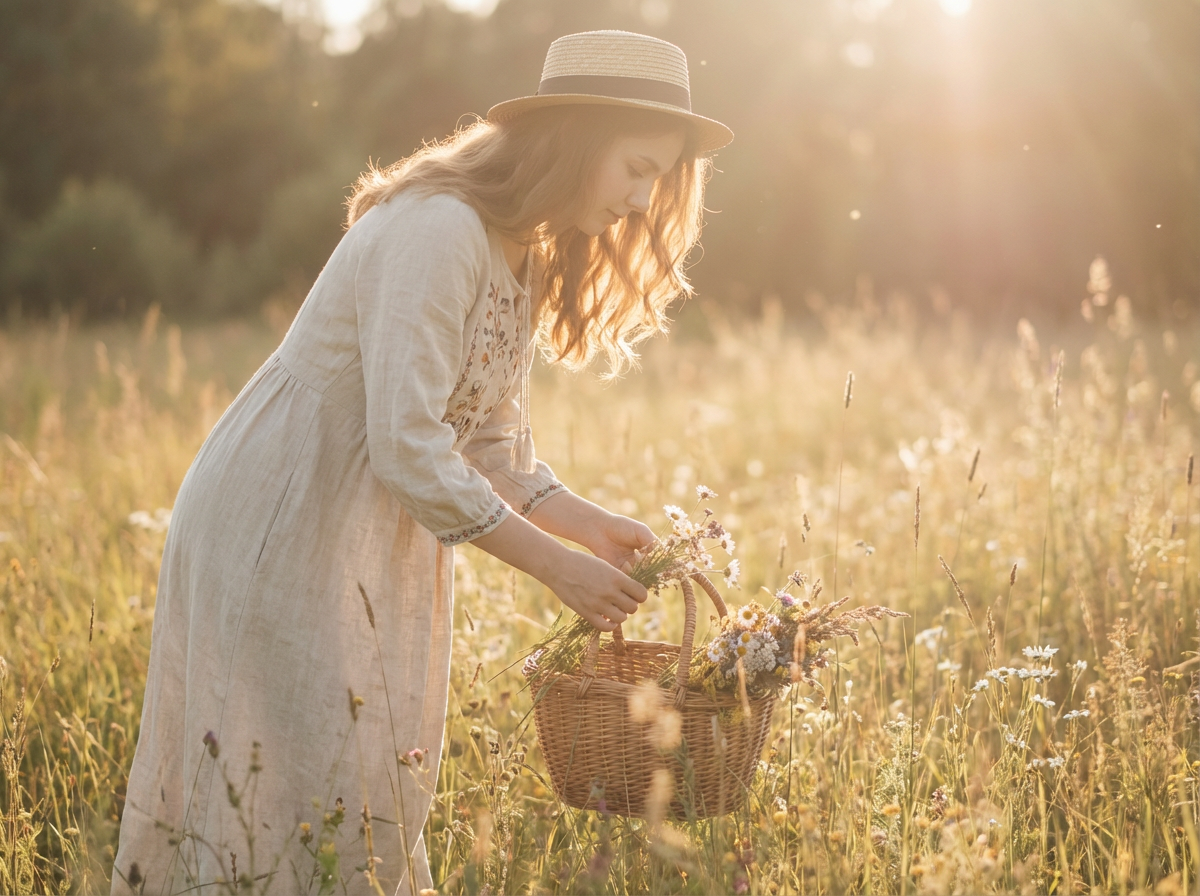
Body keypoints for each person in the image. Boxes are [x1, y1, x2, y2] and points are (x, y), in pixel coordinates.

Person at [111, 29, 732, 896]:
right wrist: (555, 567)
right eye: (634, 166)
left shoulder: (526, 253)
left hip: (362, 525)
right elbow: (405, 442)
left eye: (657, 177)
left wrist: (588, 527)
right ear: (574, 143)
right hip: (284, 508)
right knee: (281, 776)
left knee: (356, 778)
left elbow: (488, 444)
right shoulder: (441, 231)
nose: (640, 197)